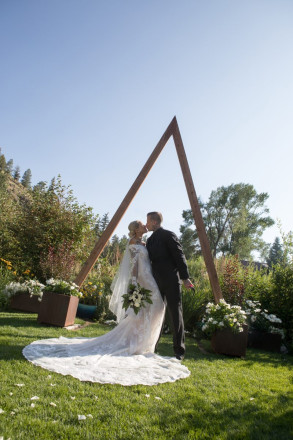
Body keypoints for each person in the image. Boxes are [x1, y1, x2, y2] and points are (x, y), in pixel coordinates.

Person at [22, 220, 190, 386]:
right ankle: (138, 342)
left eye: (147, 222)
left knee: (155, 308)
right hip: (143, 280)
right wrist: (134, 283)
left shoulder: (147, 241)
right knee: (152, 309)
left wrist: (181, 276)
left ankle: (145, 342)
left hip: (152, 279)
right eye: (142, 224)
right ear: (136, 229)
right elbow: (132, 264)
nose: (145, 225)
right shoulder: (133, 242)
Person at [146, 212, 193, 360]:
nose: (146, 224)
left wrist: (185, 278)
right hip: (155, 282)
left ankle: (179, 351)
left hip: (172, 281)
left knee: (175, 315)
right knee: (156, 314)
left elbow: (180, 256)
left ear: (154, 222)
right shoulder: (150, 240)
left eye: (148, 221)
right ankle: (153, 346)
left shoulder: (168, 235)